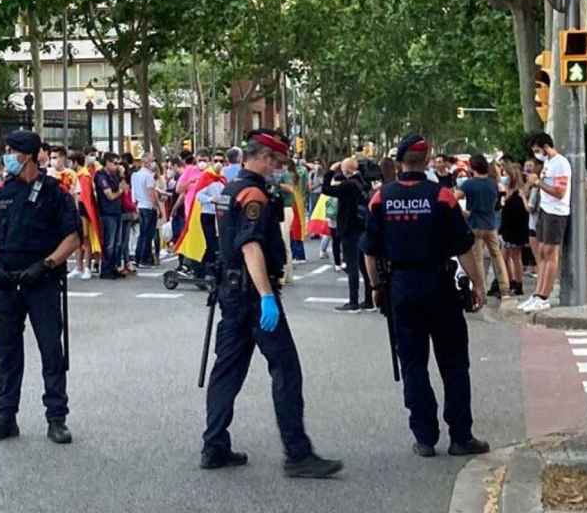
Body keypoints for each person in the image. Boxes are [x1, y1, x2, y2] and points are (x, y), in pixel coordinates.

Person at [201, 129, 342, 478]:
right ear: (263, 157)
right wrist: (266, 296)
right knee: (286, 369)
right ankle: (298, 454)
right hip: (251, 293)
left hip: (231, 292)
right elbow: (251, 246)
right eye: (277, 162)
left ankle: (214, 445)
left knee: (227, 371)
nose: (279, 169)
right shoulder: (253, 194)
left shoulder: (228, 190)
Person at [362, 134, 489, 458]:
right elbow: (464, 248)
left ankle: (425, 437)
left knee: (413, 365)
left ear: (400, 159)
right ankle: (460, 436)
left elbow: (370, 252)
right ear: (427, 157)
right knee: (454, 364)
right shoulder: (442, 196)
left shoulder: (381, 198)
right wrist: (478, 284)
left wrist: (376, 287)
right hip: (440, 285)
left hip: (402, 288)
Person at [0, 130, 80, 445]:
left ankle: (56, 417)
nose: (7, 156)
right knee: (6, 352)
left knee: (51, 350)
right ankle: (5, 416)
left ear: (29, 155)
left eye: (12, 151)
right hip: (6, 282)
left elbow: (73, 237)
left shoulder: (55, 193)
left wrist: (47, 264)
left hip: (42, 281)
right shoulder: (0, 192)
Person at [522, 133, 571, 313]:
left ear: (545, 146)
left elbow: (560, 192)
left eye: (537, 150)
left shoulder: (561, 163)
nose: (536, 154)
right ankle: (537, 293)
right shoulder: (548, 163)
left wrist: (539, 183)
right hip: (544, 210)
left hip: (556, 213)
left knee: (550, 254)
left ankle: (544, 296)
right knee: (541, 253)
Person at [455, 154, 510, 299]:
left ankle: (482, 290)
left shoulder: (468, 184)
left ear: (472, 167)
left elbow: (454, 199)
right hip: (491, 225)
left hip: (474, 225)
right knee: (497, 257)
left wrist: (463, 212)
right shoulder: (493, 183)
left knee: (477, 259)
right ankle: (505, 288)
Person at [323, 158, 373, 312]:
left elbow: (326, 189)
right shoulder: (363, 183)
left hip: (349, 228)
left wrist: (330, 171)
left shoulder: (348, 185)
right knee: (364, 266)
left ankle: (353, 301)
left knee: (352, 266)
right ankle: (369, 301)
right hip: (362, 227)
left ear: (346, 170)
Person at [499, 162, 529, 296]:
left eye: (505, 174)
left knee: (515, 257)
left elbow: (522, 212)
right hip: (507, 228)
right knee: (505, 257)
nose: (503, 176)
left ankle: (518, 284)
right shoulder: (506, 191)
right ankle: (512, 281)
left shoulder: (519, 192)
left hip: (515, 229)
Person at [132, 151, 159, 268]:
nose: (152, 163)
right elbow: (151, 192)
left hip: (140, 205)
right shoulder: (148, 176)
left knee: (142, 233)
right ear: (146, 162)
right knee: (148, 234)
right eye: (151, 160)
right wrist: (156, 206)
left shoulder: (135, 175)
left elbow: (134, 192)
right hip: (148, 206)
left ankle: (138, 258)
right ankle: (144, 259)